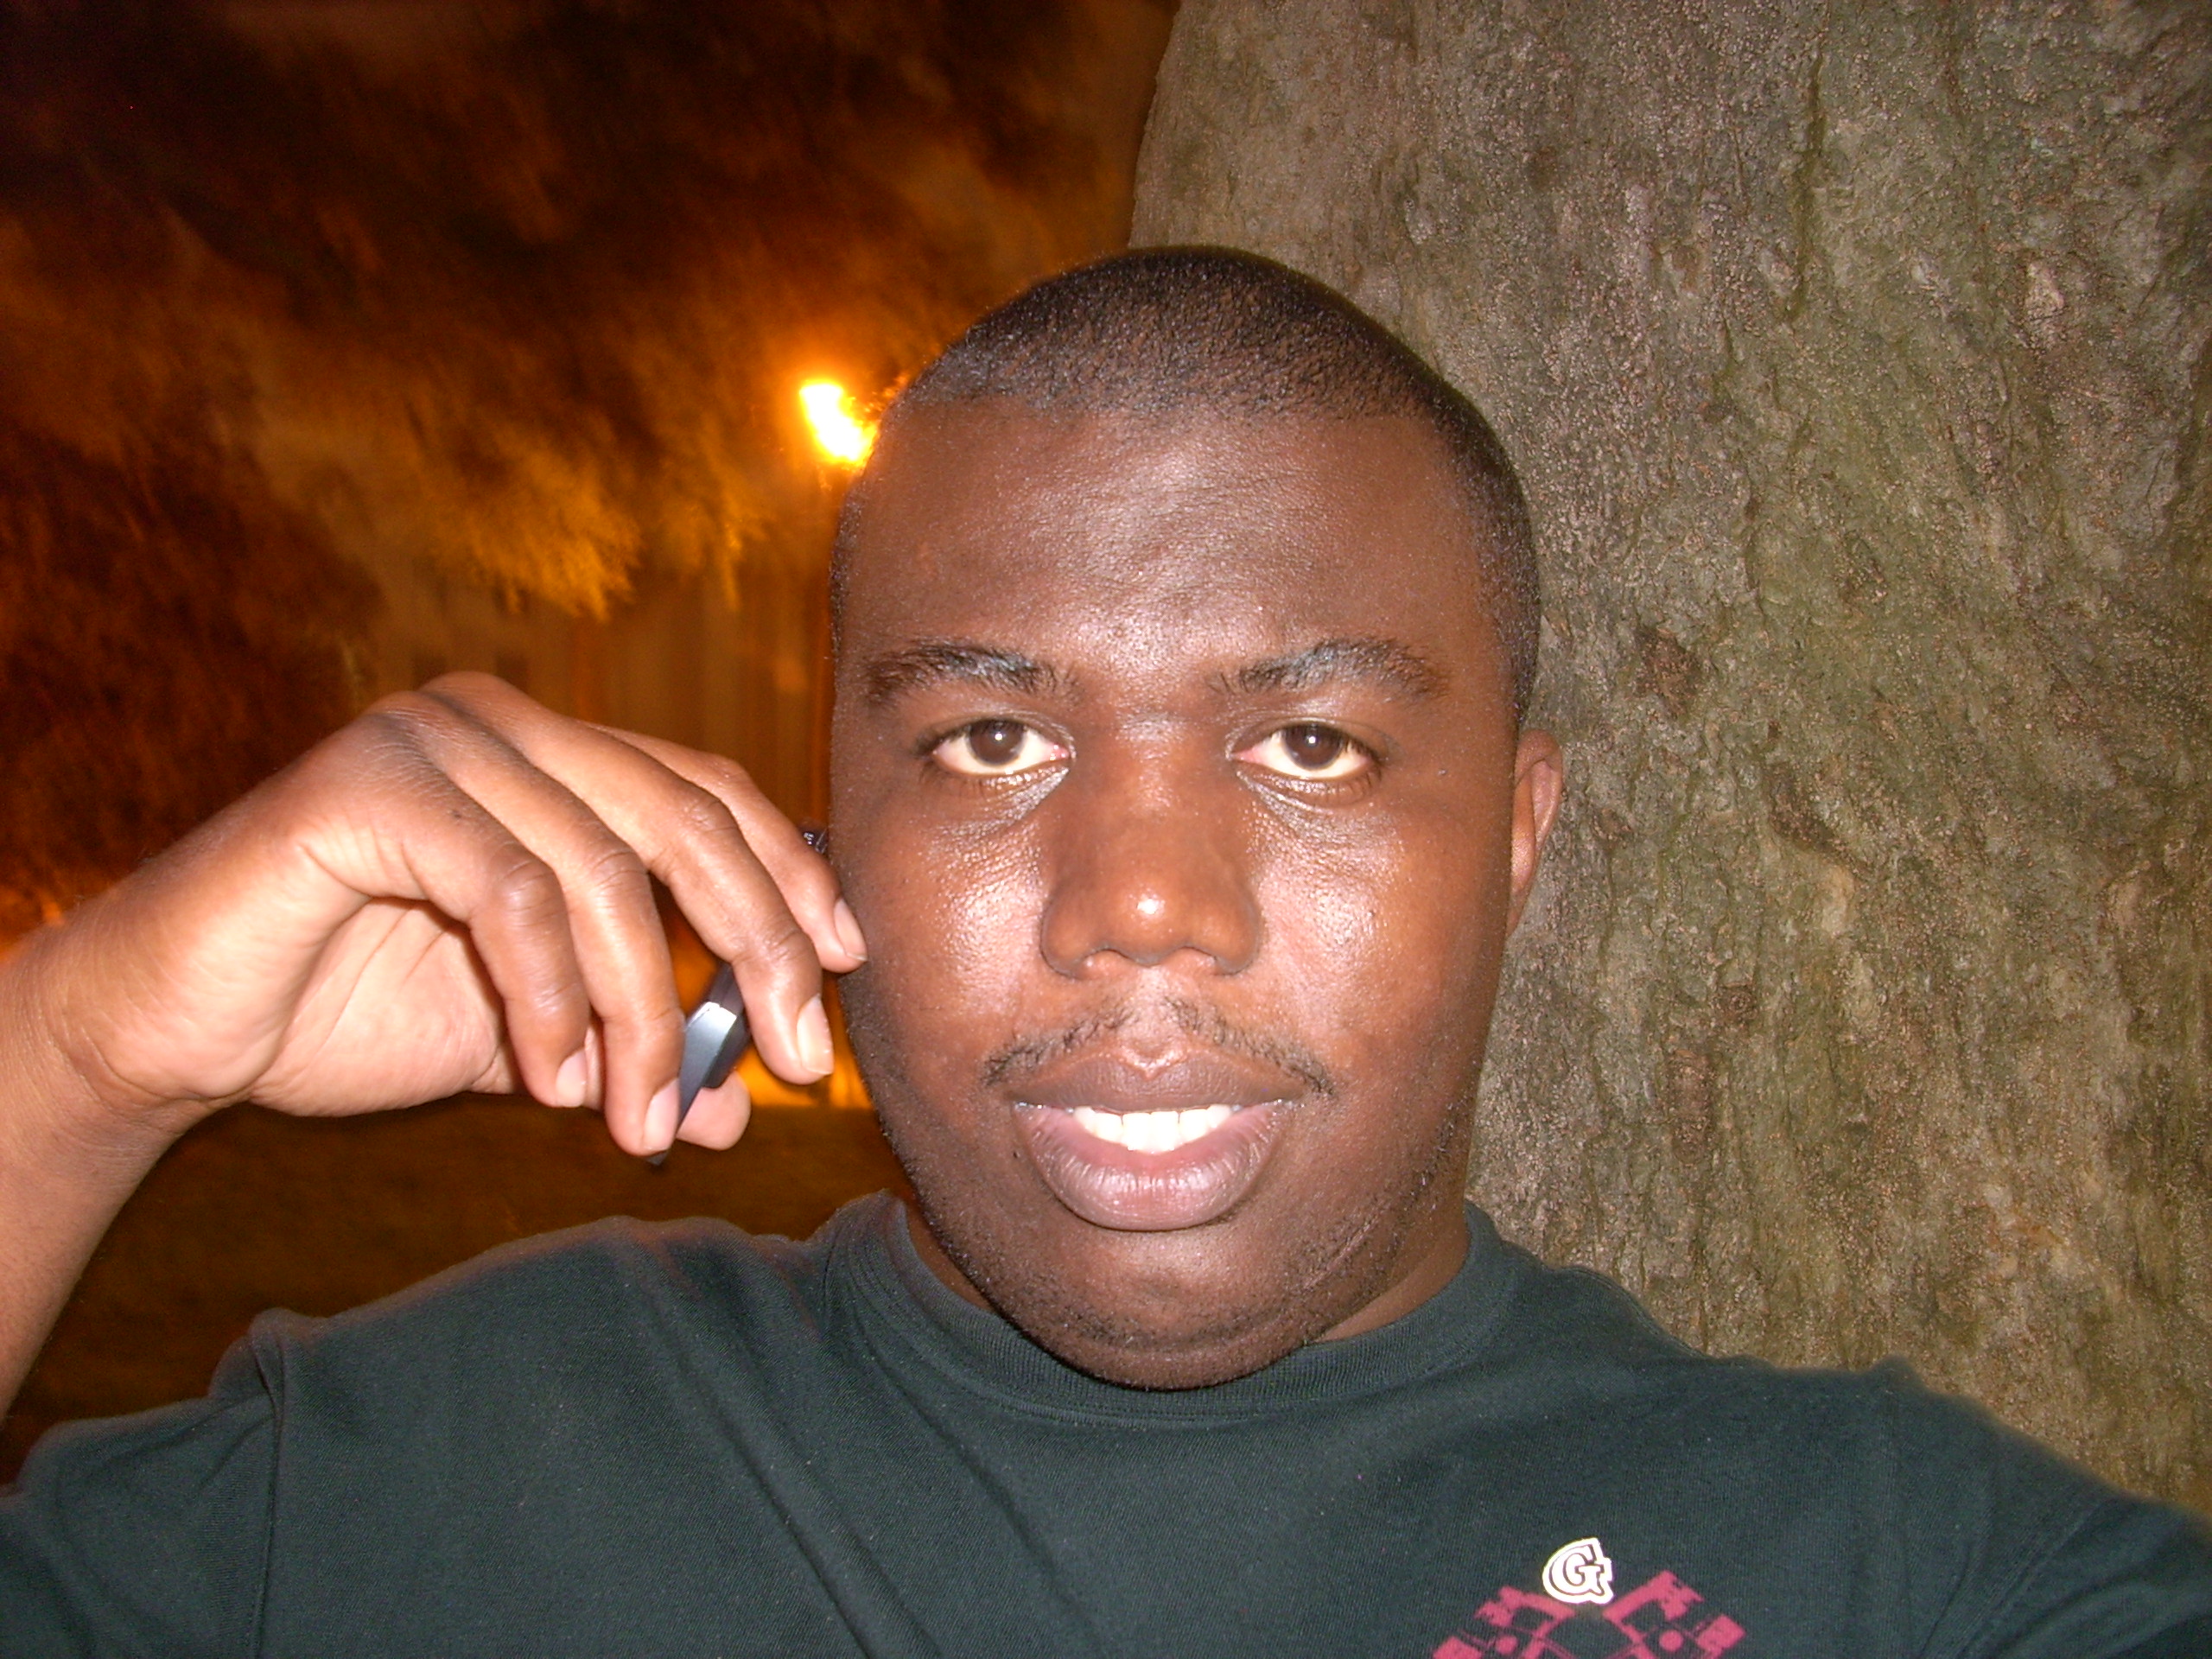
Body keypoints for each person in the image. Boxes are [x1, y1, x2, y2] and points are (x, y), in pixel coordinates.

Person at [0, 249, 2204, 1657]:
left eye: (1312, 746)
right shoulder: (434, 1463)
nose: (1141, 904)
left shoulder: (1902, 1569)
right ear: (822, 825)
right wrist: (84, 1055)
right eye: (992, 739)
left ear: (1520, 840)